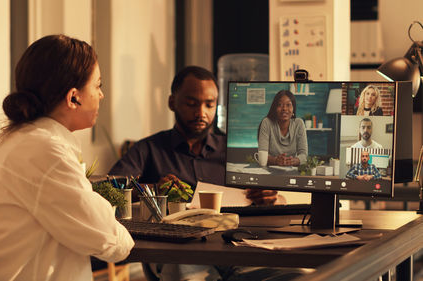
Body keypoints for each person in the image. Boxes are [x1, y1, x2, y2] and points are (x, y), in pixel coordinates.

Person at [0, 34, 134, 281]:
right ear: (74, 97)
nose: (101, 95)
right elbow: (111, 242)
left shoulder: (21, 139)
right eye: (98, 85)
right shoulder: (46, 152)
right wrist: (118, 229)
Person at [109, 66, 294, 281]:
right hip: (179, 252)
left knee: (299, 275)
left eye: (209, 104)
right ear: (172, 102)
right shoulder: (148, 149)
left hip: (237, 249)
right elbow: (112, 190)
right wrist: (154, 192)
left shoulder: (235, 150)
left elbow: (277, 199)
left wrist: (273, 197)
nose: (201, 113)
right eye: (191, 103)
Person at [258, 90, 308, 166]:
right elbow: (262, 155)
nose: (284, 108)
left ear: (293, 109)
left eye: (288, 105)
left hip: (292, 171)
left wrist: (294, 161)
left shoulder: (299, 123)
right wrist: (275, 160)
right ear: (275, 108)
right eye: (280, 105)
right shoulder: (267, 123)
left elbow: (304, 155)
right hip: (269, 171)